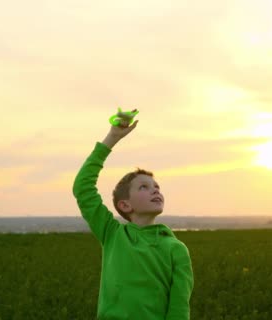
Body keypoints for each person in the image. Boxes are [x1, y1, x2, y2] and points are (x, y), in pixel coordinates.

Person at [72, 110, 194, 319]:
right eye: (144, 187)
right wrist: (112, 138)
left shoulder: (176, 249)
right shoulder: (112, 234)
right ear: (125, 205)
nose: (155, 190)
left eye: (156, 186)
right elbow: (83, 188)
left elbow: (179, 307)